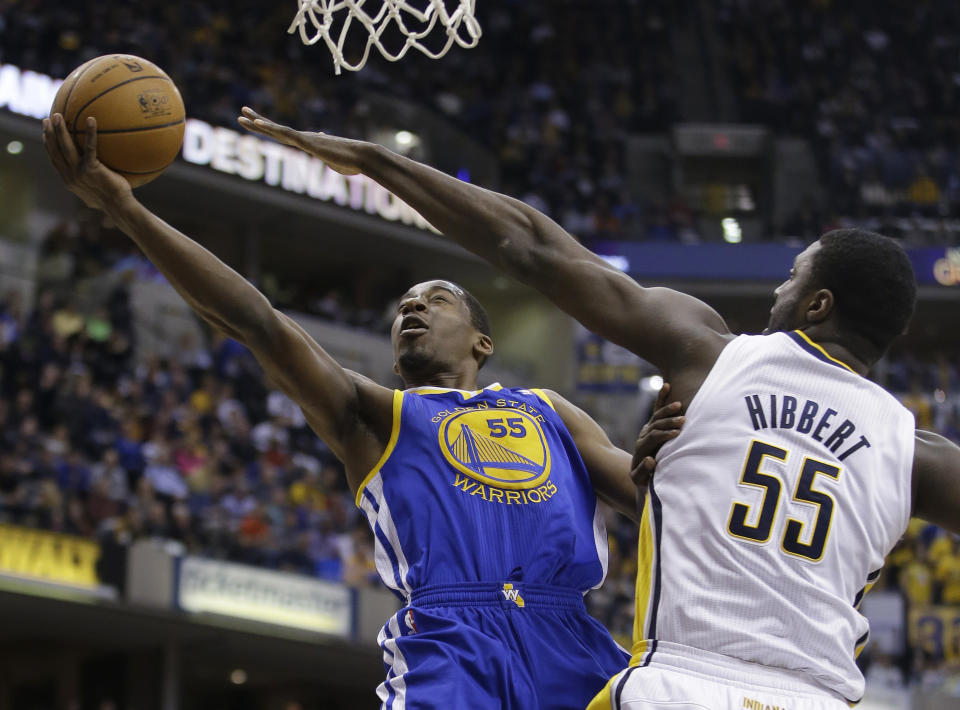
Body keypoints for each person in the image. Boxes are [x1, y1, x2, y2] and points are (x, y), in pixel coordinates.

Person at [236, 108, 960, 709]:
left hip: (681, 683)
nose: (777, 293)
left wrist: (377, 162)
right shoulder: (916, 450)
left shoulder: (715, 355)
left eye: (791, 278)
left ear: (818, 303)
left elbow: (531, 247)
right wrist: (667, 478)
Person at [41, 113, 683, 710]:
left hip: (570, 638)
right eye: (404, 303)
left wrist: (658, 463)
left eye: (436, 299)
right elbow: (256, 322)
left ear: (483, 342)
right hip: (451, 643)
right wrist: (126, 211)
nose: (413, 308)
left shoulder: (549, 410)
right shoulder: (374, 415)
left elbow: (653, 502)